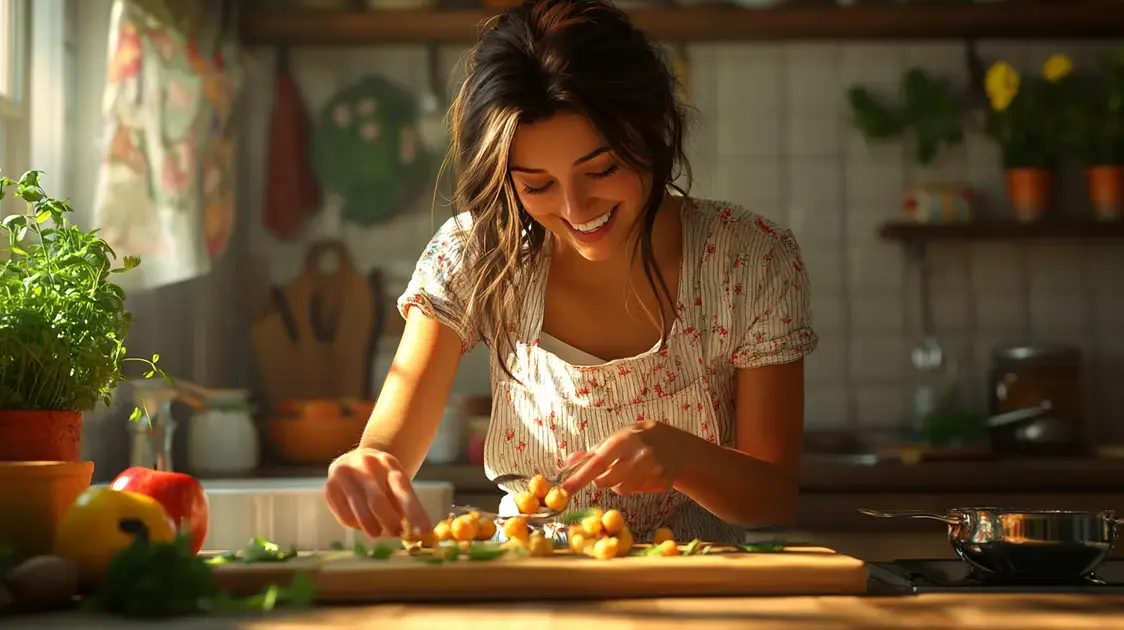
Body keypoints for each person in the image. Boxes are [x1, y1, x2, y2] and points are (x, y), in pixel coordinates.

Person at [323, 0, 818, 545]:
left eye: (601, 170)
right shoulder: (480, 252)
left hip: (697, 590)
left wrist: (685, 459)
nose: (577, 209)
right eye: (537, 185)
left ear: (653, 128)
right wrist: (367, 465)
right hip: (532, 589)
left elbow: (774, 496)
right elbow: (388, 445)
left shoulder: (750, 259)